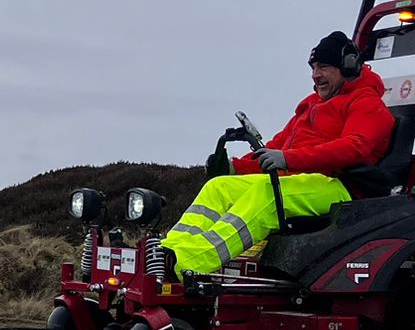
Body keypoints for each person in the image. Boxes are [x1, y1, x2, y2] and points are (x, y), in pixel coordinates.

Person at [158, 29, 394, 275]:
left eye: (323, 67)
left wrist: (288, 159)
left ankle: (187, 264)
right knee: (218, 187)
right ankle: (167, 252)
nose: (316, 75)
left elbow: (355, 147)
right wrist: (235, 167)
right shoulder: (312, 105)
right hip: (300, 180)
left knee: (268, 194)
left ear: (347, 67)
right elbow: (278, 146)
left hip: (339, 185)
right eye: (313, 68)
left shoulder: (367, 104)